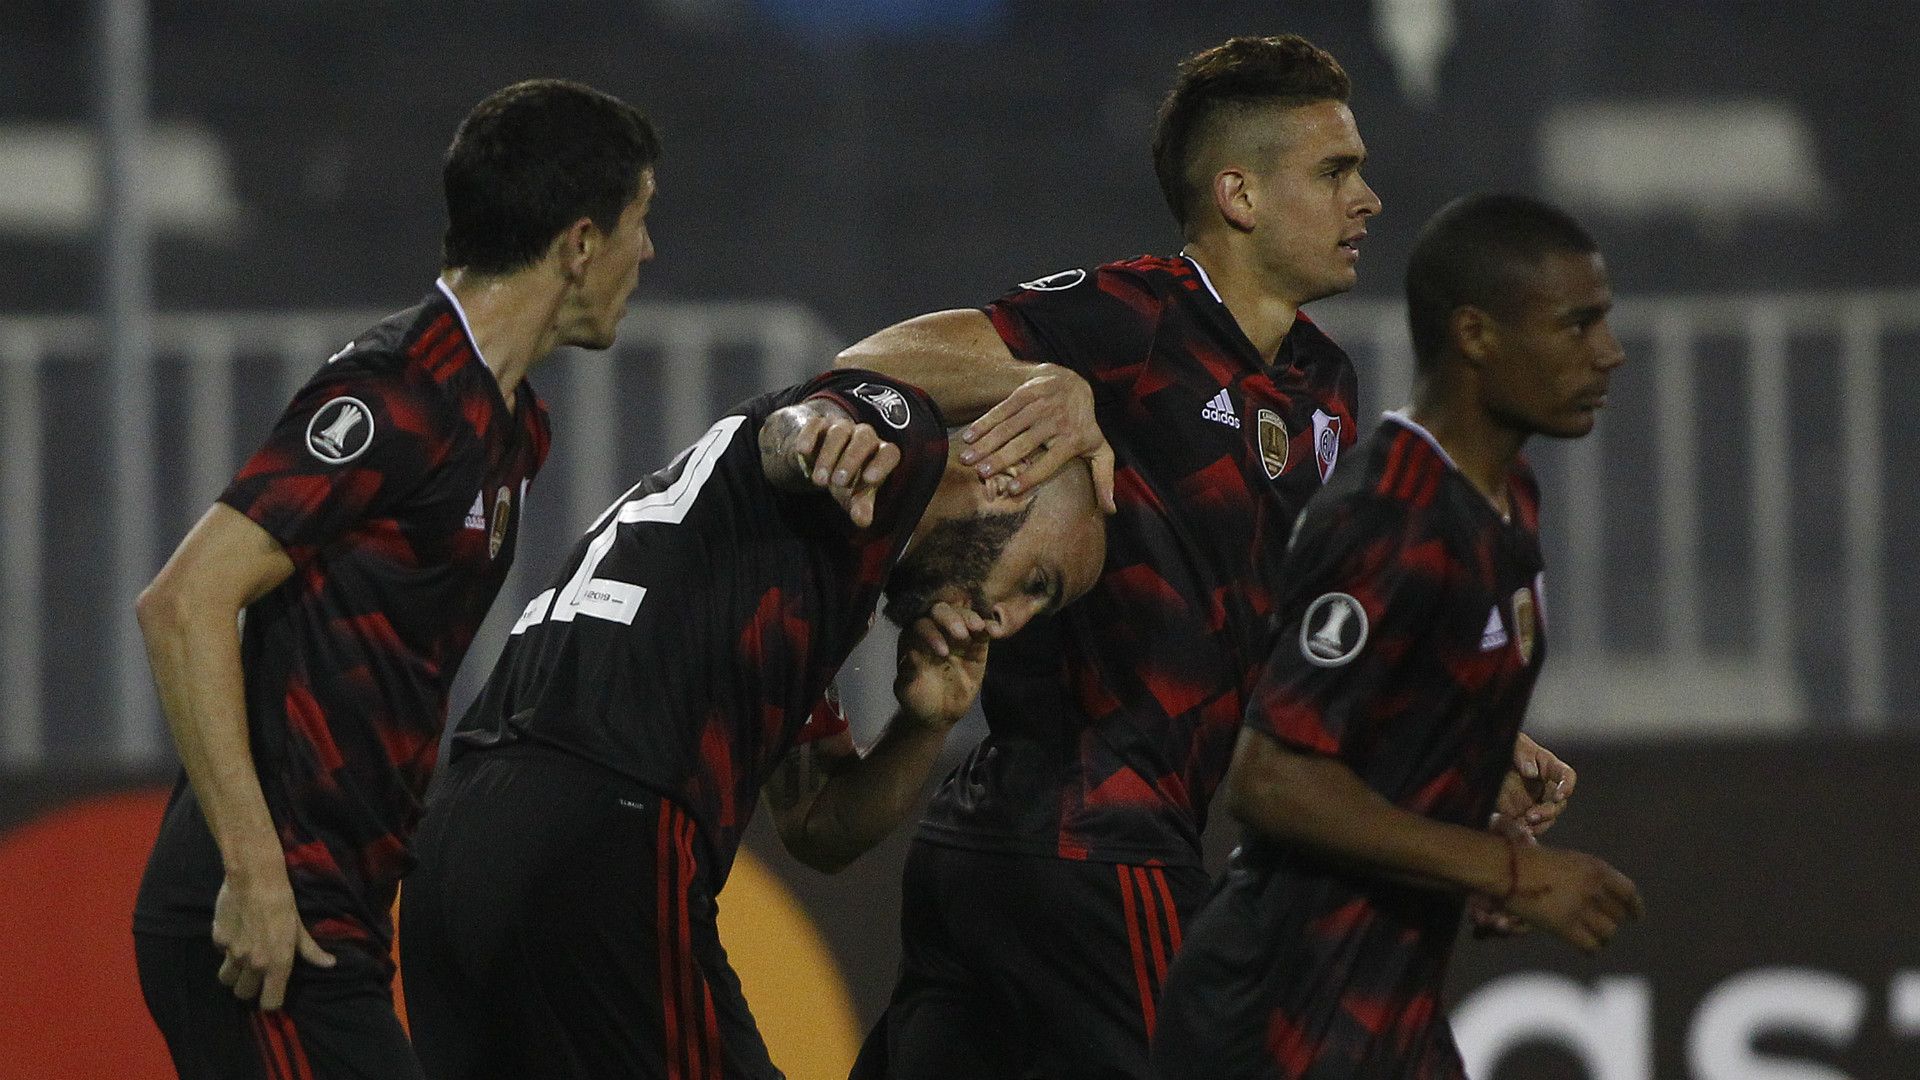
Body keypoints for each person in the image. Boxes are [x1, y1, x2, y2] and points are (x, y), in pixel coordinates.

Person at [844, 35, 1578, 1079]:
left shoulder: (1323, 384)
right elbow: (871, 365)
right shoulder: (1132, 317)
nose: (1367, 198)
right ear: (1237, 192)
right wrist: (1047, 380)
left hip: (1018, 856)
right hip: (1093, 847)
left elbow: (1289, 629)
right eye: (1334, 172)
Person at [130, 80, 660, 1080]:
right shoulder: (397, 393)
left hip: (339, 904)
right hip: (264, 912)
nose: (650, 252)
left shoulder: (509, 422)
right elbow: (184, 601)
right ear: (581, 242)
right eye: (641, 220)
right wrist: (255, 873)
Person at [397, 368, 1107, 1080]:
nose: (1008, 619)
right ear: (1009, 478)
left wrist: (924, 725)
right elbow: (792, 431)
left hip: (454, 846)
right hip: (602, 823)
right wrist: (816, 440)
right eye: (1036, 582)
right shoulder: (901, 448)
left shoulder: (792, 569)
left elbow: (818, 826)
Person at [1150, 193, 1644, 1080]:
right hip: (1280, 1008)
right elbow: (1272, 781)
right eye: (1578, 326)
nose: (1607, 353)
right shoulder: (1390, 514)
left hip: (1382, 1005)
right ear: (1476, 335)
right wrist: (1508, 874)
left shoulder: (1507, 497)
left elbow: (1382, 717)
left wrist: (1468, 794)